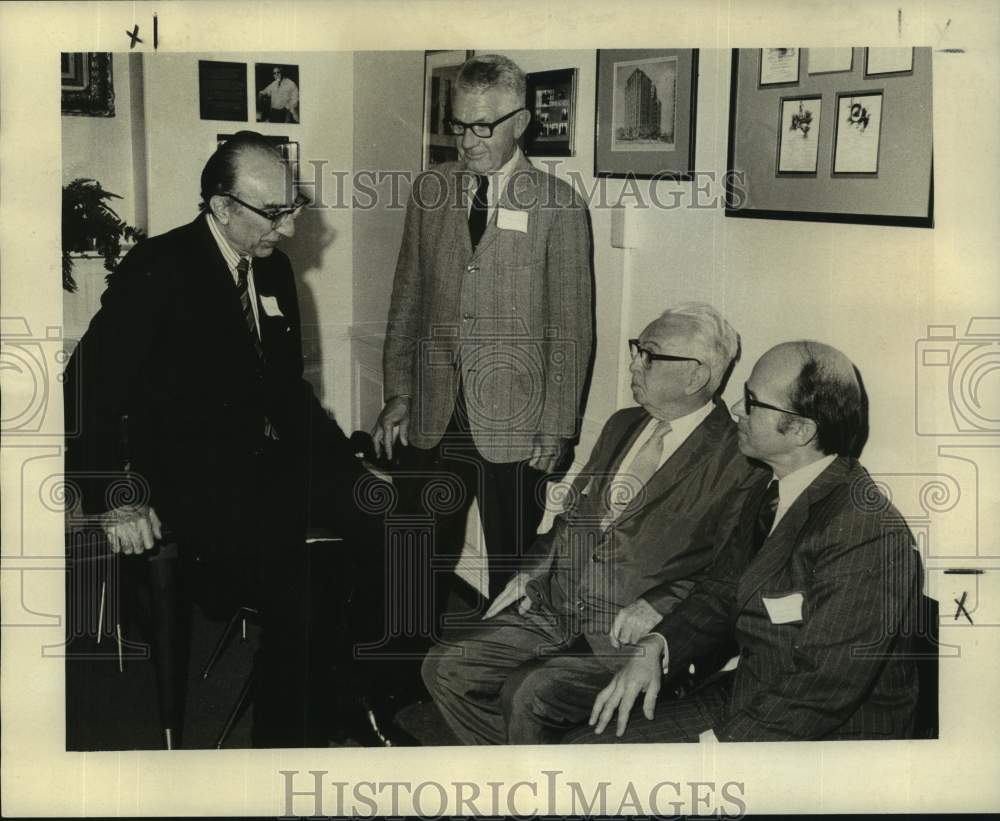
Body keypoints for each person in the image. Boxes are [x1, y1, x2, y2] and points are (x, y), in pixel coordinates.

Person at [64, 131, 391, 747]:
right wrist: (114, 494)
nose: (290, 228)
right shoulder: (159, 270)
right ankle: (283, 755)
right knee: (307, 581)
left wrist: (348, 471)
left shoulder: (272, 270)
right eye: (274, 214)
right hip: (191, 490)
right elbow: (84, 387)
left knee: (386, 527)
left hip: (263, 467)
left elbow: (287, 396)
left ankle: (346, 692)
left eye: (291, 208)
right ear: (221, 207)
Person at [421, 303, 760, 744]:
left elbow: (733, 573)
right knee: (445, 667)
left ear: (696, 375)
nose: (634, 363)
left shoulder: (740, 457)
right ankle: (526, 775)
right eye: (637, 348)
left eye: (649, 354)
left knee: (527, 694)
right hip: (558, 605)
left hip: (626, 634)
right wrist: (533, 570)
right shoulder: (623, 425)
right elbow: (571, 516)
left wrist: (660, 603)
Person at [577, 341, 923, 743]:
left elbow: (820, 689)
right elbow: (721, 591)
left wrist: (719, 752)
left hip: (826, 739)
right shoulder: (770, 489)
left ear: (801, 430)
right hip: (753, 693)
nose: (737, 410)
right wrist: (657, 643)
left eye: (752, 401)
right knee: (585, 750)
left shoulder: (866, 532)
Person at [372, 54, 594, 631]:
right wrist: (398, 391)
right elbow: (407, 300)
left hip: (518, 424)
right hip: (434, 411)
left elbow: (571, 328)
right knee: (414, 557)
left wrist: (558, 425)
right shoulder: (431, 191)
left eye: (482, 126)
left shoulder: (559, 207)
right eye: (457, 123)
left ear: (520, 121)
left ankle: (499, 679)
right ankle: (400, 675)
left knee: (513, 566)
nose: (466, 140)